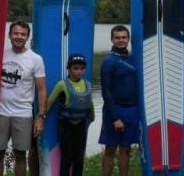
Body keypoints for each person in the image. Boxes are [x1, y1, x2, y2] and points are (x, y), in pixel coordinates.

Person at [0, 20, 47, 176]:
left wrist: (41, 116)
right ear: (9, 35)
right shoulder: (0, 55)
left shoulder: (35, 59)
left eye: (23, 34)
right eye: (16, 33)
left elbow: (42, 89)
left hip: (23, 114)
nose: (19, 37)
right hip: (0, 113)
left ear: (28, 37)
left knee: (20, 156)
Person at [44, 53, 95, 176]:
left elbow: (90, 102)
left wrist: (92, 117)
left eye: (82, 68)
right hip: (66, 125)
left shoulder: (87, 84)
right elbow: (50, 101)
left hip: (81, 125)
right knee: (67, 158)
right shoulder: (62, 84)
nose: (79, 71)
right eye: (75, 68)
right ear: (69, 69)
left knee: (79, 158)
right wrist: (41, 116)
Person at [99, 25, 138, 176]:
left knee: (126, 149)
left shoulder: (132, 58)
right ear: (112, 39)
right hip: (114, 110)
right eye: (117, 37)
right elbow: (106, 91)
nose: (121, 40)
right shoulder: (109, 61)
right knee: (110, 149)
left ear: (128, 39)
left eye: (124, 37)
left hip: (132, 110)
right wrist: (115, 117)